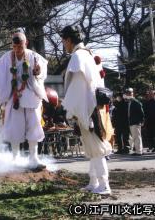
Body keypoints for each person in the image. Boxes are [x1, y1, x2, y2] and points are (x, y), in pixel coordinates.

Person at [60, 25, 112, 195]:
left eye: (63, 41)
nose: (63, 44)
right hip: (93, 105)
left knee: (96, 148)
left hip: (87, 108)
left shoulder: (78, 56)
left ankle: (104, 185)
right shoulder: (88, 53)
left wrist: (70, 109)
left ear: (68, 40)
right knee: (91, 148)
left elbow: (77, 87)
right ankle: (93, 181)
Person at [0, 31, 48, 168]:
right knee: (14, 128)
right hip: (14, 97)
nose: (17, 50)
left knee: (33, 127)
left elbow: (42, 71)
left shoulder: (34, 56)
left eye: (20, 46)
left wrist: (38, 72)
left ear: (25, 43)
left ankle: (34, 158)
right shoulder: (6, 58)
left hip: (31, 97)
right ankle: (15, 158)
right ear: (12, 46)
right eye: (15, 47)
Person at [124, 88, 145, 155]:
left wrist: (142, 121)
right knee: (135, 137)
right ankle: (138, 150)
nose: (128, 94)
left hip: (136, 122)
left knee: (137, 137)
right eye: (127, 93)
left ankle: (139, 151)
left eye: (130, 93)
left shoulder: (136, 102)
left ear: (132, 93)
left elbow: (141, 112)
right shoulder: (128, 102)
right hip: (131, 122)